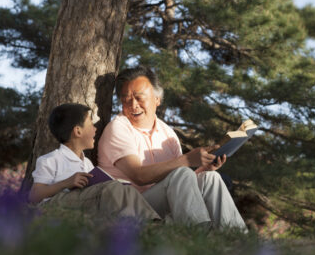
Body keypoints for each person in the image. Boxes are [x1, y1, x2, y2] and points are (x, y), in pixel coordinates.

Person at [97, 66, 247, 230]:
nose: (133, 105)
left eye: (139, 98)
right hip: (132, 208)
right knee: (183, 171)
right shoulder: (118, 128)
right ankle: (198, 235)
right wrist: (187, 160)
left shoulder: (167, 133)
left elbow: (179, 183)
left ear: (157, 99)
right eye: (126, 99)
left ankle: (237, 239)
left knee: (210, 178)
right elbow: (139, 176)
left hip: (161, 202)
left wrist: (204, 167)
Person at [28, 103, 160, 221]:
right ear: (78, 131)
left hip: (85, 203)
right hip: (54, 207)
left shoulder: (87, 163)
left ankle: (154, 223)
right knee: (112, 188)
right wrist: (66, 183)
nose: (95, 129)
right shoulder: (50, 160)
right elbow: (35, 195)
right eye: (91, 124)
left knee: (127, 190)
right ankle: (135, 225)